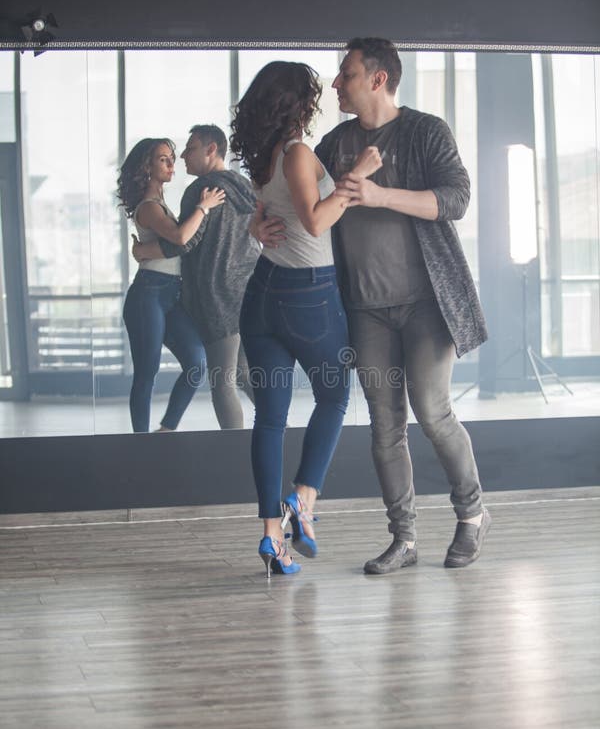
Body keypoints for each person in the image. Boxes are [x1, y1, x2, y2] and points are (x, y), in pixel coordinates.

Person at [258, 39, 490, 573]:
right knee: (385, 427)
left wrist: (381, 194)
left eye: (346, 73)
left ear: (378, 79)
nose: (337, 83)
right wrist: (256, 220)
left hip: (428, 304)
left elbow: (456, 199)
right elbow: (295, 197)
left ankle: (472, 515)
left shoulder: (426, 131)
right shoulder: (335, 143)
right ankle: (404, 539)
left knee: (432, 411)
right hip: (363, 309)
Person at [230, 61, 382, 577]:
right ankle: (304, 499)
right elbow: (316, 221)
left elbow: (266, 213)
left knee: (270, 419)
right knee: (335, 396)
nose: (324, 96)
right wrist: (356, 175)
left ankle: (273, 537)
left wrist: (255, 225)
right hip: (309, 298)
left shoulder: (263, 154)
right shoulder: (296, 153)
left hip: (264, 294)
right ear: (297, 102)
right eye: (315, 93)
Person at [132, 125, 260, 429]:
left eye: (190, 149)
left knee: (222, 381)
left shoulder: (200, 190)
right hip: (249, 292)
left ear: (211, 149)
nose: (184, 157)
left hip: (217, 296)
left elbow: (183, 242)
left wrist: (143, 251)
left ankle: (234, 452)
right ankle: (279, 430)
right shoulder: (245, 188)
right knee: (242, 372)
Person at [118, 137, 225, 433]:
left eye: (172, 158)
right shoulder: (149, 207)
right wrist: (203, 207)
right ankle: (141, 440)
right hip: (148, 295)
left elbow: (174, 246)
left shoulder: (161, 204)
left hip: (171, 295)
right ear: (147, 166)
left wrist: (142, 251)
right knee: (147, 373)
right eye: (163, 159)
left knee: (196, 363)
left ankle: (166, 429)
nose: (172, 164)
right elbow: (180, 238)